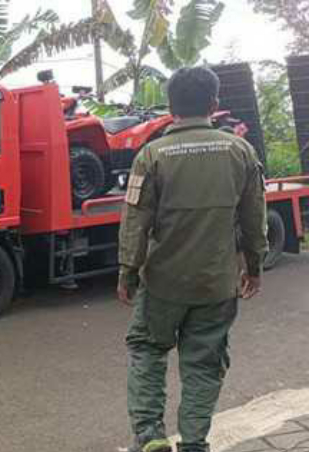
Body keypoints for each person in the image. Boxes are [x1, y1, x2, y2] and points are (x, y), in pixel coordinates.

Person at [118, 67, 268, 452]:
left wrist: (128, 272)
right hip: (216, 285)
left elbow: (136, 220)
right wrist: (254, 266)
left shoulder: (151, 155)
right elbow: (254, 219)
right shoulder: (240, 151)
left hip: (163, 284)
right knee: (204, 362)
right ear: (214, 105)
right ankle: (195, 443)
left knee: (148, 349)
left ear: (170, 107)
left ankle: (150, 434)